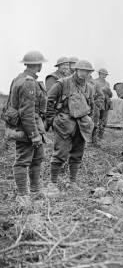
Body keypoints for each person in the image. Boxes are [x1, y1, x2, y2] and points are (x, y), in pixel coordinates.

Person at [45, 60, 96, 192]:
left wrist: (89, 121)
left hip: (82, 125)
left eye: (87, 71)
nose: (83, 73)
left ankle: (72, 182)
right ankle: (53, 183)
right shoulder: (62, 83)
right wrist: (52, 120)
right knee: (60, 153)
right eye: (81, 70)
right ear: (76, 70)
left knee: (77, 154)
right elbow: (49, 101)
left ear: (90, 73)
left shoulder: (90, 87)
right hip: (63, 123)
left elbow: (91, 106)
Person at [6, 51, 48, 206]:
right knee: (23, 161)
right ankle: (23, 196)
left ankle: (36, 191)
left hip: (31, 125)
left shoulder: (19, 78)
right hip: (27, 128)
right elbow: (27, 113)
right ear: (38, 64)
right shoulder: (28, 82)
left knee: (37, 158)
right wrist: (33, 135)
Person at [92, 68, 113, 146]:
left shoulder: (107, 83)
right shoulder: (94, 81)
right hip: (97, 103)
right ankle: (94, 138)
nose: (104, 76)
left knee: (104, 121)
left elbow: (110, 95)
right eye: (102, 74)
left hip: (105, 104)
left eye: (105, 74)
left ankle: (100, 136)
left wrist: (108, 91)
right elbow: (92, 93)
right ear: (99, 74)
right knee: (95, 120)